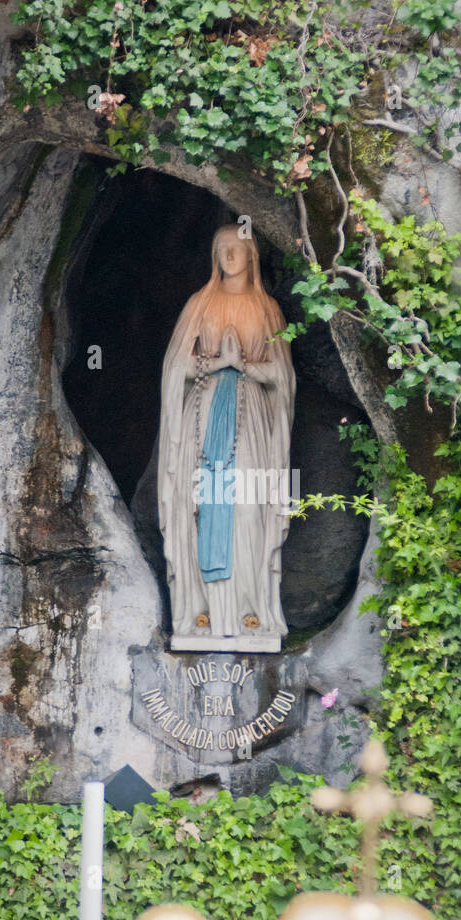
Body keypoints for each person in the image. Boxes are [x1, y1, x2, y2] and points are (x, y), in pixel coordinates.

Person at [158, 225, 295, 646]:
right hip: (203, 413)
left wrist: (247, 368)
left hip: (251, 417)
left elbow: (285, 377)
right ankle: (203, 614)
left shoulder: (268, 308)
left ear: (252, 255)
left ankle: (251, 612)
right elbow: (174, 368)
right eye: (222, 250)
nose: (230, 257)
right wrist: (217, 365)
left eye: (238, 249)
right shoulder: (200, 305)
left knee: (248, 508)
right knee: (198, 505)